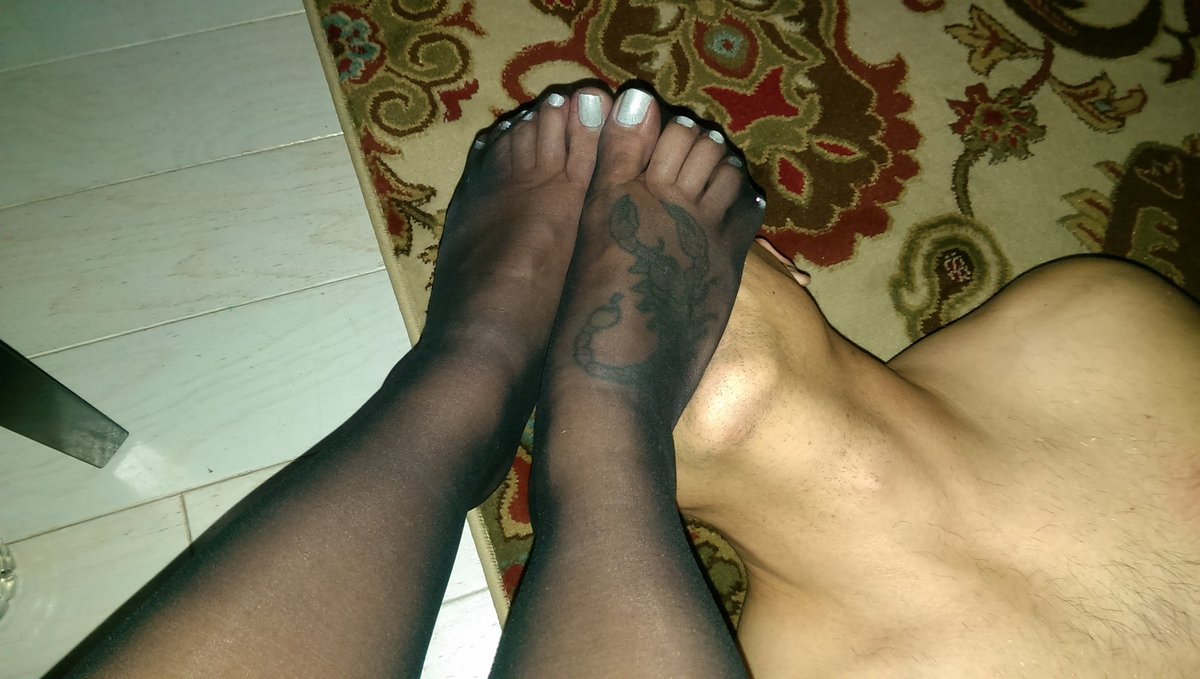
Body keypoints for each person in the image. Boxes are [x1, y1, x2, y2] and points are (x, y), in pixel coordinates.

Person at [63, 83, 1199, 678]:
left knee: (472, 408)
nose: (596, 274)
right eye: (574, 303)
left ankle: (483, 374)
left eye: (564, 294)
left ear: (788, 263)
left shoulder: (1100, 320)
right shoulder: (1102, 317)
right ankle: (547, 407)